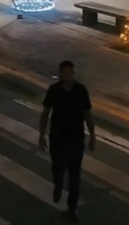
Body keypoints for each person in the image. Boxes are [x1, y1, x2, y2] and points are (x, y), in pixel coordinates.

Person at [39, 60, 94, 221]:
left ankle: (72, 206)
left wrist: (92, 135)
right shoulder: (54, 90)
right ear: (61, 74)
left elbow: (87, 115)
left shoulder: (81, 91)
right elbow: (45, 113)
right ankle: (57, 184)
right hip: (58, 138)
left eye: (71, 73)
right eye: (66, 73)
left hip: (76, 138)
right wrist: (41, 135)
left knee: (75, 174)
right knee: (58, 168)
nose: (69, 76)